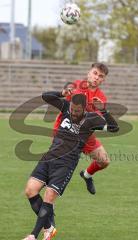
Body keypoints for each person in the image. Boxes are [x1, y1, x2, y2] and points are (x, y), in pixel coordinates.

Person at [22, 90, 119, 240]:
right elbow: (46, 96)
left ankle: (33, 235)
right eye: (72, 110)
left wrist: (103, 110)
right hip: (49, 157)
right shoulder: (66, 107)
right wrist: (61, 92)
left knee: (49, 196)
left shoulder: (92, 119)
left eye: (77, 111)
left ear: (85, 109)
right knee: (30, 190)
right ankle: (49, 226)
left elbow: (114, 128)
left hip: (65, 164)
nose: (73, 113)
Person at [53, 62, 110, 195]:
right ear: (89, 73)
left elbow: (95, 121)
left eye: (100, 76)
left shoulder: (101, 98)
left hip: (85, 135)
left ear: (103, 79)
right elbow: (63, 109)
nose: (96, 77)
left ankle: (87, 175)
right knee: (58, 171)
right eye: (95, 73)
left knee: (104, 161)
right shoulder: (75, 86)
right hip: (66, 134)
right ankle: (49, 200)